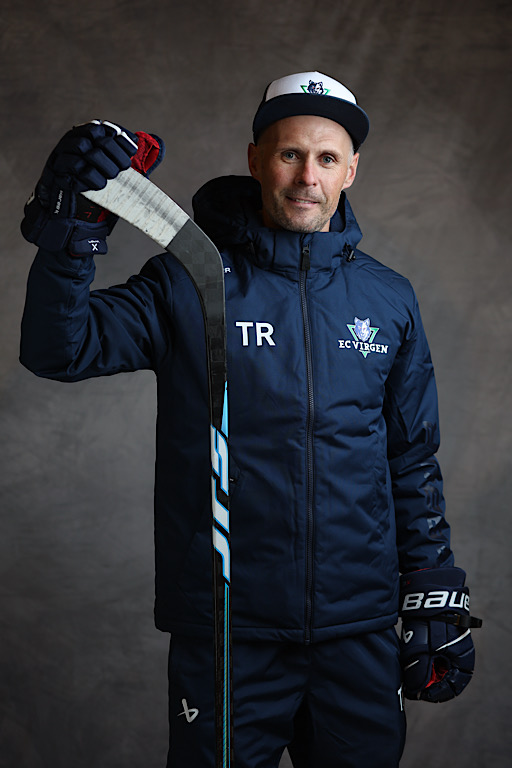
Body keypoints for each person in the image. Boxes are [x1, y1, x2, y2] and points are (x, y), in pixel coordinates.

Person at [20, 72, 481, 768]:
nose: (307, 177)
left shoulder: (389, 298)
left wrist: (432, 589)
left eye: (327, 158)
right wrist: (73, 233)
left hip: (357, 635)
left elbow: (411, 458)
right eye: (290, 153)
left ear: (352, 169)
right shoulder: (188, 281)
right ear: (256, 158)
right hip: (228, 636)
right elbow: (59, 348)